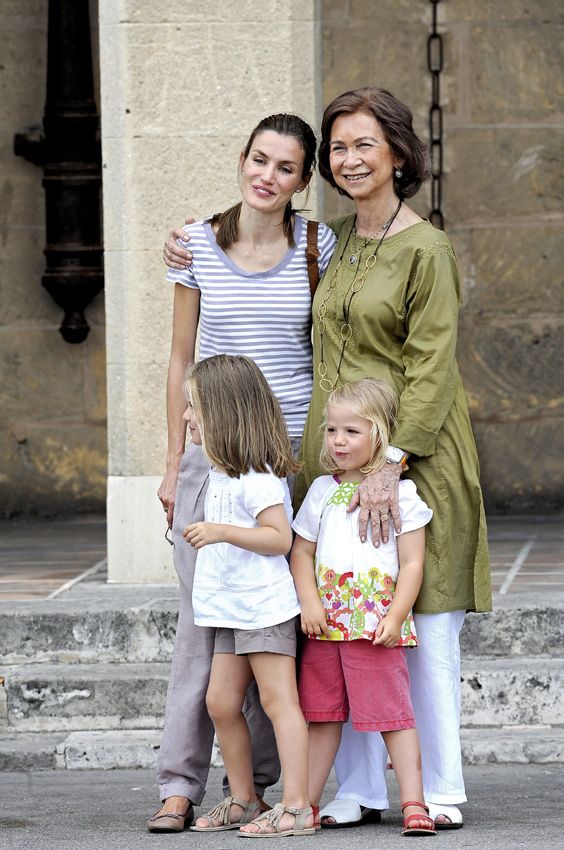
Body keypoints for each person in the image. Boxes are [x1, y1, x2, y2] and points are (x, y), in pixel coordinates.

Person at [163, 87, 492, 831]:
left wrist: (393, 459)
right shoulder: (337, 240)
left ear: (399, 155)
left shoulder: (426, 247)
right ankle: (358, 787)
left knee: (422, 623)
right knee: (341, 624)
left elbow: (434, 365)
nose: (349, 159)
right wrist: (182, 244)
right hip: (337, 464)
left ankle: (435, 788)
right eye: (339, 146)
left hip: (412, 458)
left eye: (364, 145)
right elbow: (245, 240)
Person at [148, 113, 336, 832]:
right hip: (211, 460)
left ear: (302, 181)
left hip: (289, 465)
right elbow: (178, 358)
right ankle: (178, 784)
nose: (268, 176)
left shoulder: (319, 245)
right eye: (259, 160)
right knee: (205, 626)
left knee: (276, 634)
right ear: (242, 159)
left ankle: (257, 787)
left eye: (285, 168)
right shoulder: (196, 244)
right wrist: (173, 462)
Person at [291, 377, 435, 837]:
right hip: (325, 625)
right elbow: (301, 554)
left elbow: (412, 563)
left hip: (374, 625)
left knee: (394, 715)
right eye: (332, 430)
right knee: (321, 715)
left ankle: (414, 804)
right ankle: (304, 805)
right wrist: (309, 602)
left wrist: (395, 616)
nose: (338, 441)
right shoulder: (319, 492)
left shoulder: (403, 495)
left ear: (380, 432)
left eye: (352, 431)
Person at [181, 355, 314, 837]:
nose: (186, 417)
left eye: (193, 407)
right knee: (220, 702)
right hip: (230, 610)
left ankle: (297, 807)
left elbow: (279, 538)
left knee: (280, 704)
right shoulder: (218, 472)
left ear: (223, 412)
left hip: (263, 607)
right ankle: (243, 799)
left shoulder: (257, 477)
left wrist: (222, 532)